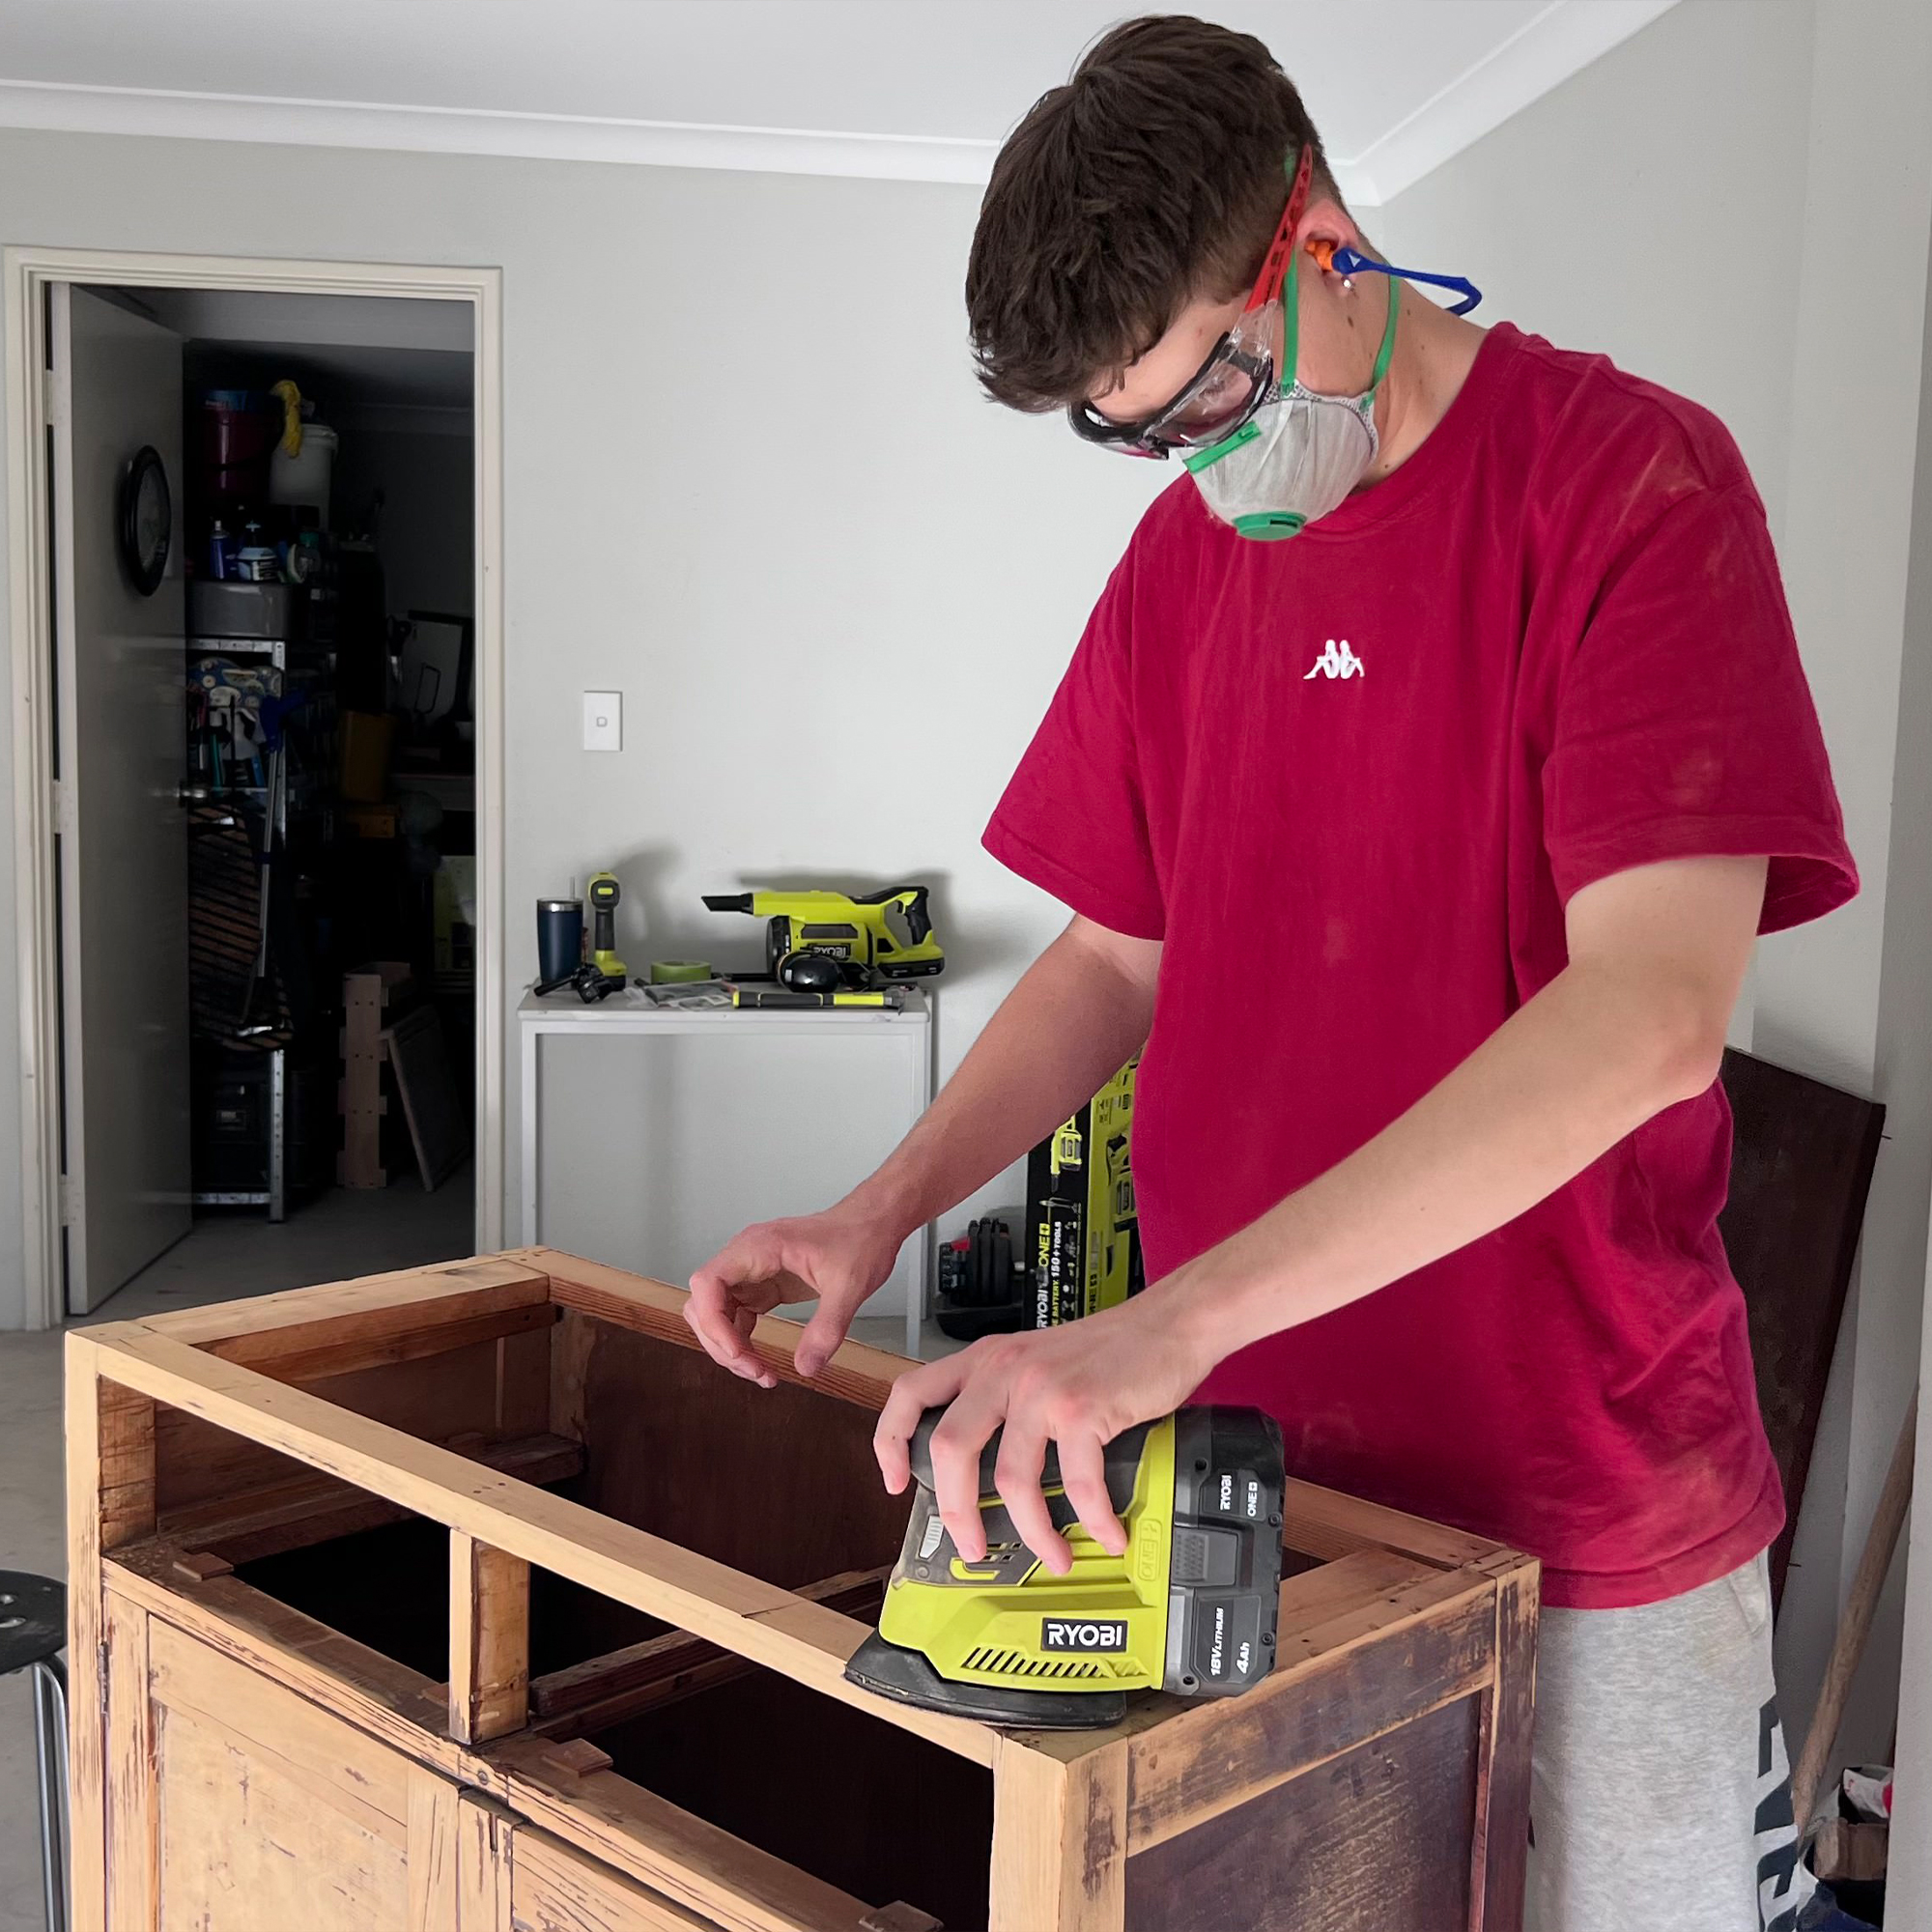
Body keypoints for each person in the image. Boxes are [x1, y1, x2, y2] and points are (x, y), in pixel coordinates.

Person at [685, 17, 1855, 1930]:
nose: (1187, 465)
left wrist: (1161, 1325)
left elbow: (1648, 1012)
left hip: (1589, 1507)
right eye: (1127, 433)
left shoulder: (1627, 486)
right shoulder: (1181, 573)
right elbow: (1105, 954)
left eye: (1204, 398)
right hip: (1256, 1490)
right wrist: (883, 1206)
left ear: (1312, 238)